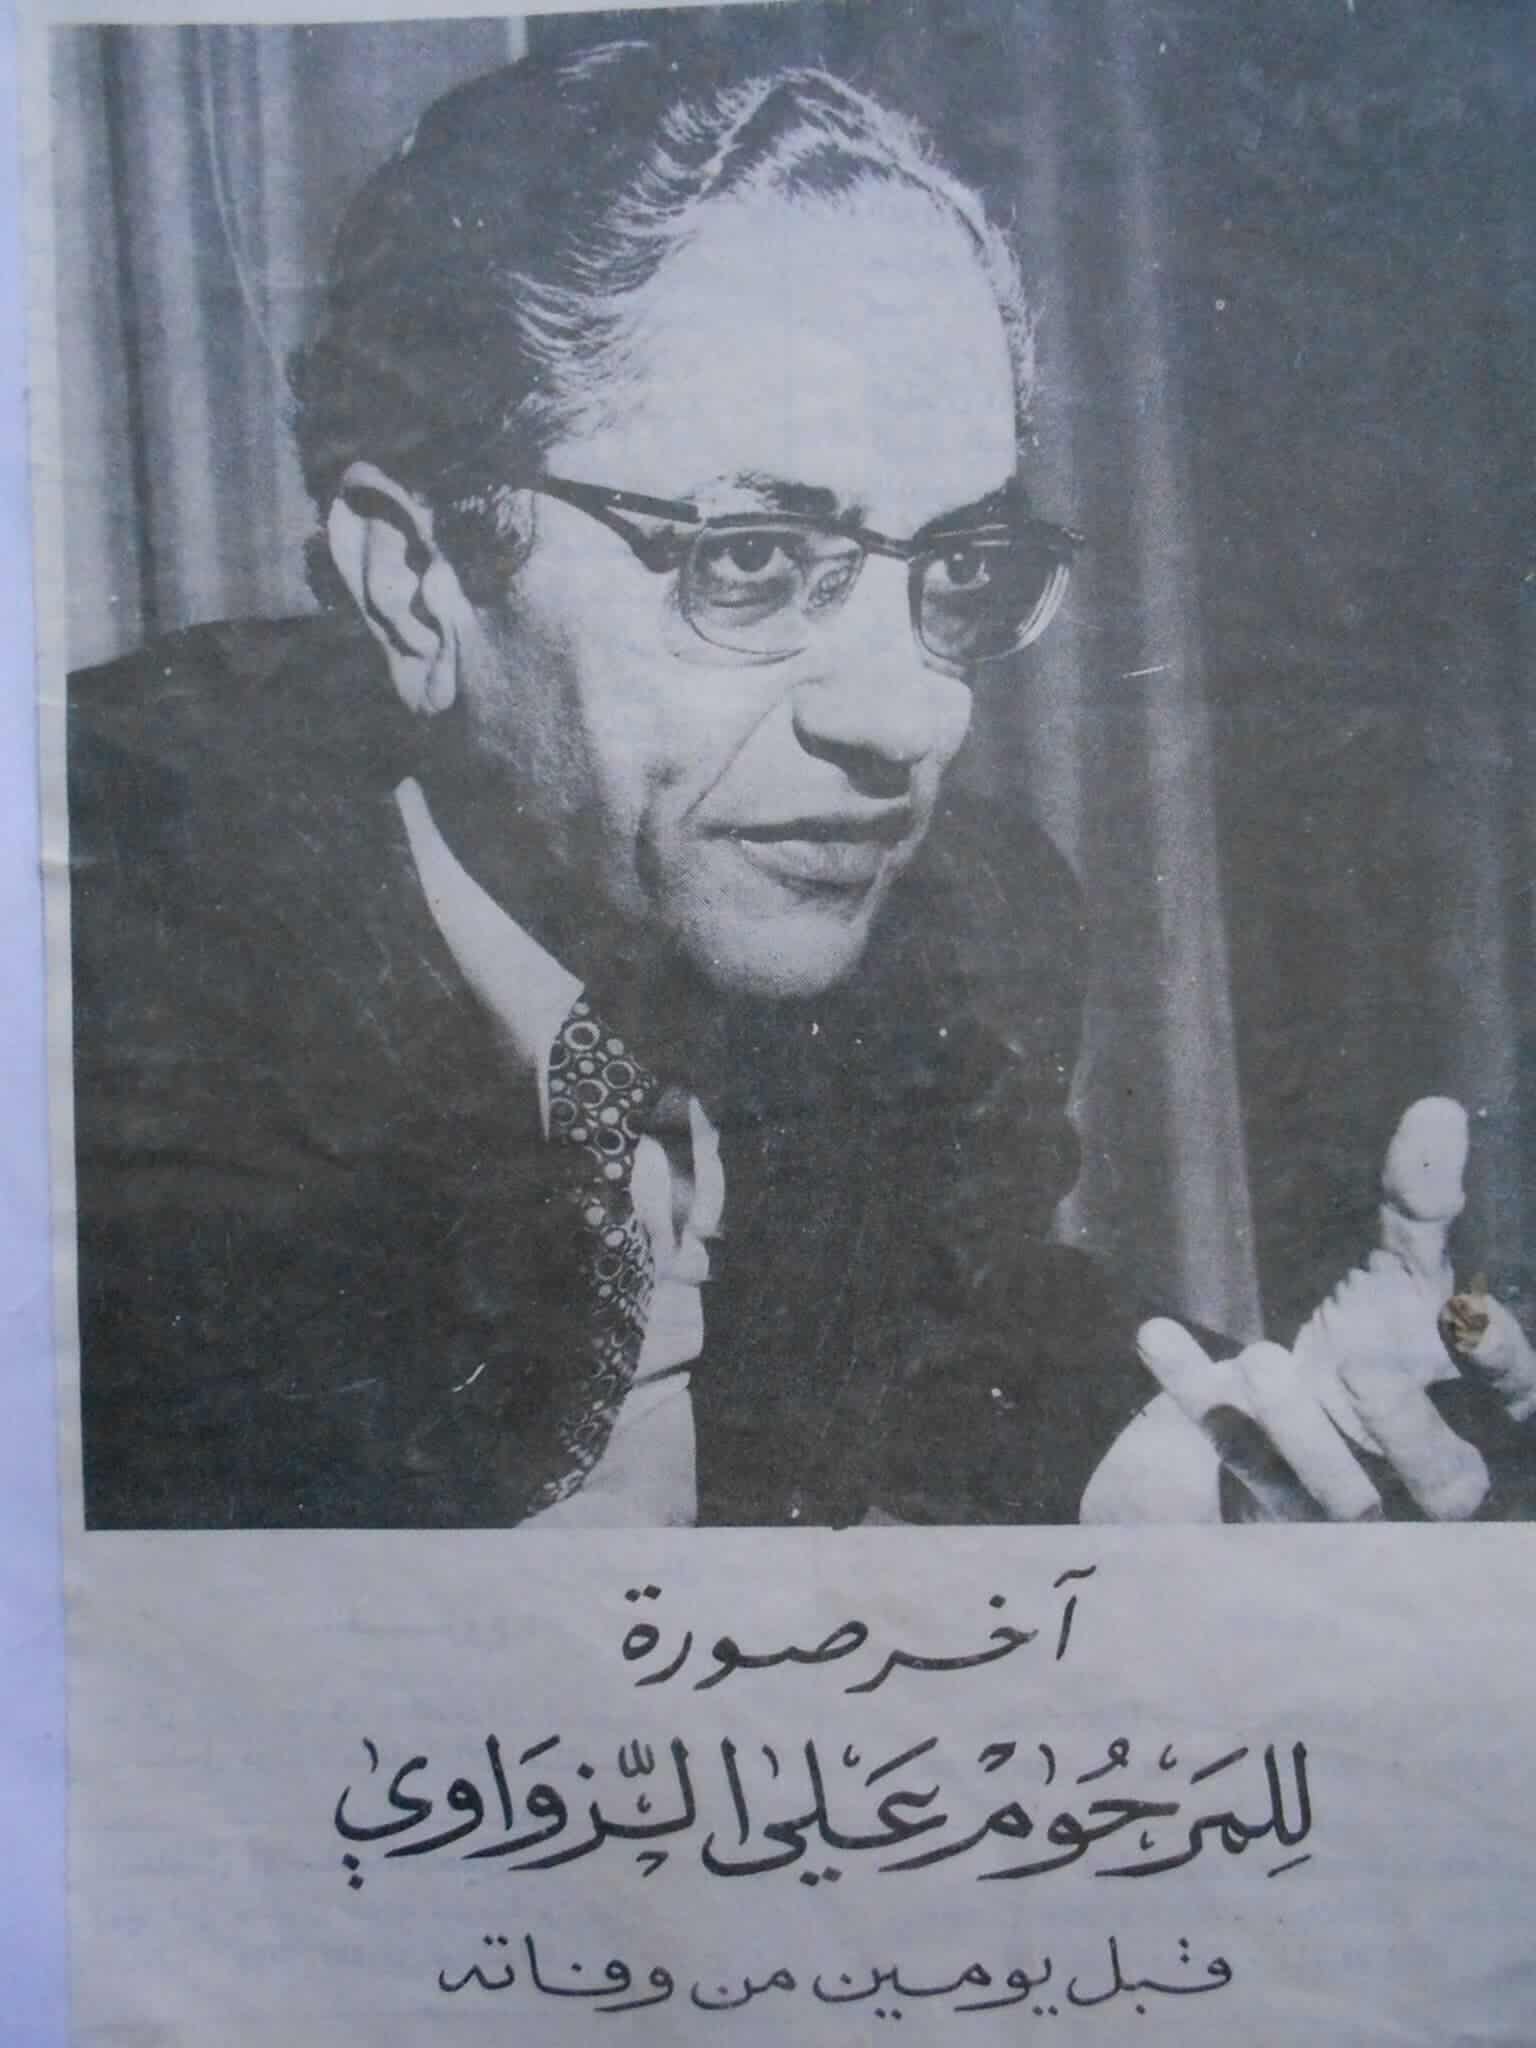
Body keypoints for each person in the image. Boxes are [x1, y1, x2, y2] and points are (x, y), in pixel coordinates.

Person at [68, 42, 1532, 1529]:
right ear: (419, 579)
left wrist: (1235, 1467)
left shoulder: (963, 928)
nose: (912, 718)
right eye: (752, 558)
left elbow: (948, 1329)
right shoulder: (95, 956)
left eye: (957, 564)